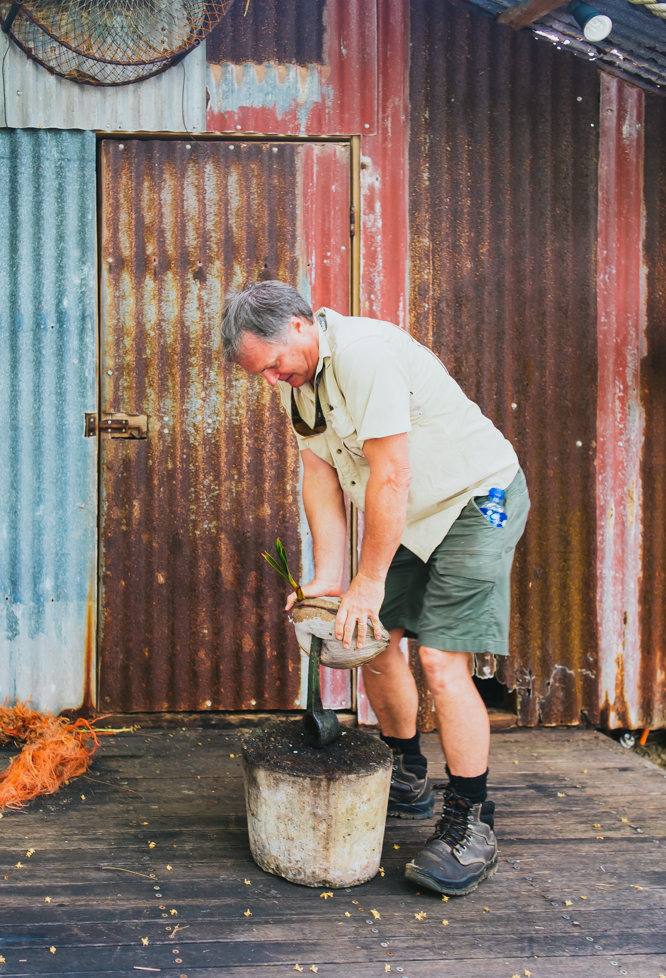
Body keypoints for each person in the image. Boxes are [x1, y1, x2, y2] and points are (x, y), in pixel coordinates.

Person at [221, 280, 530, 896]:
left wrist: (369, 579)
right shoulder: (297, 385)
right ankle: (408, 774)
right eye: (260, 373)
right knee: (367, 637)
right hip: (410, 517)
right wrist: (332, 581)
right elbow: (322, 484)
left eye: (275, 364)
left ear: (303, 327)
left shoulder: (365, 354)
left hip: (474, 501)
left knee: (442, 660)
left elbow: (391, 475)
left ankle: (473, 821)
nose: (272, 379)